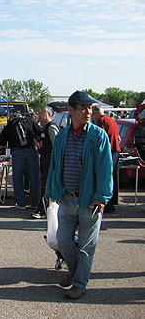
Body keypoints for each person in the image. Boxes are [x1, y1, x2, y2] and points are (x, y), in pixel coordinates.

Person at [45, 90, 112, 299]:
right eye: (83, 108)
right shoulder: (63, 135)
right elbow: (55, 166)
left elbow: (105, 168)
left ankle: (80, 283)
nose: (88, 112)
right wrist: (50, 191)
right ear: (71, 110)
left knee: (86, 247)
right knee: (63, 242)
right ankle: (74, 273)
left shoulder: (97, 135)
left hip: (89, 202)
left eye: (89, 108)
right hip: (66, 199)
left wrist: (102, 197)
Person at [0, 110, 41, 211]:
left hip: (17, 152)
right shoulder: (30, 120)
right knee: (35, 178)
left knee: (18, 178)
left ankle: (21, 203)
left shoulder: (10, 125)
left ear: (12, 117)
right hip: (32, 150)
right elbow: (39, 133)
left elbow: (1, 142)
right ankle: (35, 203)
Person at [31, 106, 59, 219]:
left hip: (50, 159)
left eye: (42, 113)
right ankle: (42, 208)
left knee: (47, 184)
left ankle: (43, 210)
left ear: (49, 114)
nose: (39, 115)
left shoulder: (51, 127)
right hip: (44, 158)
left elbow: (57, 146)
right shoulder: (42, 128)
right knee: (44, 183)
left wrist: (56, 162)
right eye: (39, 113)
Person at [92, 104, 120, 213]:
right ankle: (114, 200)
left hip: (110, 151)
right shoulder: (112, 121)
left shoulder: (101, 122)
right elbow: (118, 137)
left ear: (95, 114)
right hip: (116, 150)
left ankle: (108, 204)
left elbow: (100, 137)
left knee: (106, 176)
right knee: (114, 176)